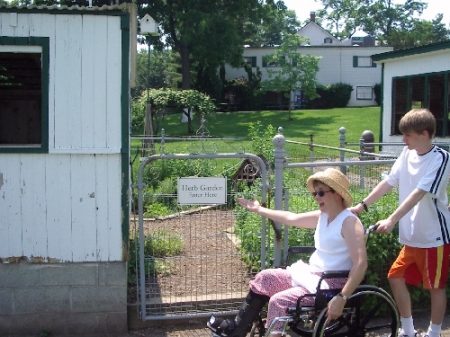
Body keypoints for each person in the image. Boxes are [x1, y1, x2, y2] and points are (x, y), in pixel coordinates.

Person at [206, 168, 367, 337]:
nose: (316, 197)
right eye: (315, 194)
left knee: (279, 301)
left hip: (332, 283)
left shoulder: (349, 223)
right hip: (312, 276)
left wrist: (342, 297)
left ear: (337, 194)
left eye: (320, 193)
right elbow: (290, 218)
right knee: (265, 277)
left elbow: (361, 264)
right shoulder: (323, 216)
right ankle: (237, 329)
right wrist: (259, 209)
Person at [350, 109, 450, 337]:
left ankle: (434, 333)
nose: (403, 140)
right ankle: (408, 330)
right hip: (411, 237)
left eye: (408, 135)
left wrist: (392, 219)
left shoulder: (441, 158)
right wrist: (361, 206)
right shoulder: (407, 153)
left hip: (433, 236)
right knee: (395, 277)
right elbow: (389, 182)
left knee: (435, 287)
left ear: (424, 134)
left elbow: (420, 193)